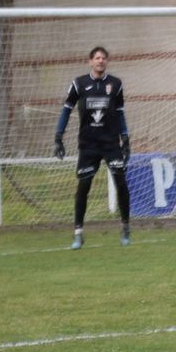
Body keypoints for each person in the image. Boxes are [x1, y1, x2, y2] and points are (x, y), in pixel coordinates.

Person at [54, 46, 132, 249]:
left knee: (121, 183)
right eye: (97, 58)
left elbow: (121, 112)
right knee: (83, 187)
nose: (100, 61)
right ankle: (78, 233)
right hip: (88, 145)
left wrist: (126, 139)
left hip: (111, 144)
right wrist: (58, 137)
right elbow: (66, 111)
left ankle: (125, 227)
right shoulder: (79, 84)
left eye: (104, 58)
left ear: (107, 62)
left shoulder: (115, 84)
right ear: (90, 61)